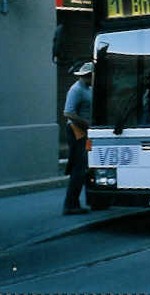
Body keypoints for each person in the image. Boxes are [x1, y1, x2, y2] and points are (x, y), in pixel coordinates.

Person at [63, 61, 93, 215]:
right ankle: (70, 204)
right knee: (79, 167)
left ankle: (90, 200)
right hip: (77, 131)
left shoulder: (88, 89)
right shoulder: (76, 90)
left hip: (85, 133)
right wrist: (86, 124)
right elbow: (68, 113)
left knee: (86, 165)